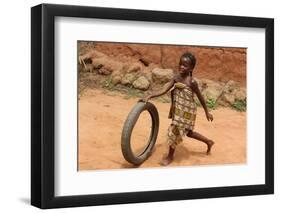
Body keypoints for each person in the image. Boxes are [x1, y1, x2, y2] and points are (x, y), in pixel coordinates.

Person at [140, 52, 214, 166]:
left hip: (188, 110)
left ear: (191, 68)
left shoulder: (192, 82)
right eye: (180, 64)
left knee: (174, 131)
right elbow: (165, 89)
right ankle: (208, 142)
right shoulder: (176, 78)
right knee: (189, 133)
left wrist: (207, 112)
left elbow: (200, 97)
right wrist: (151, 95)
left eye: (185, 65)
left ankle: (170, 157)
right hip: (178, 109)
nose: (181, 67)